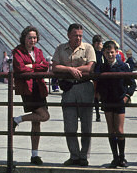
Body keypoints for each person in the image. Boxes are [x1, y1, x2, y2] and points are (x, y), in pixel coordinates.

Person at [52, 23, 96, 166]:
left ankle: (84, 156)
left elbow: (90, 67)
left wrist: (70, 69)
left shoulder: (88, 48)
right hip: (69, 88)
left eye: (80, 35)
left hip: (85, 87)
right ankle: (74, 155)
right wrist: (70, 70)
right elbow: (55, 66)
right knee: (69, 125)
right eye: (75, 35)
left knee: (86, 125)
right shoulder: (60, 48)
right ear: (68, 35)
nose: (78, 38)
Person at [12, 26, 50, 165]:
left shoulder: (38, 51)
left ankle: (35, 154)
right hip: (28, 89)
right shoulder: (18, 51)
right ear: (24, 38)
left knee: (37, 122)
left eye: (34, 38)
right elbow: (20, 68)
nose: (32, 40)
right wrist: (35, 66)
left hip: (39, 87)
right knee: (44, 116)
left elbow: (45, 66)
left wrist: (31, 66)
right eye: (29, 38)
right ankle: (16, 120)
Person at [96, 40, 136, 168]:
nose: (110, 55)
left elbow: (132, 83)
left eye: (112, 52)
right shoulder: (102, 67)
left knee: (119, 130)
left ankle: (122, 156)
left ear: (116, 52)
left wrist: (127, 96)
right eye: (107, 53)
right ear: (104, 53)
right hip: (107, 101)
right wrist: (99, 95)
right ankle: (115, 157)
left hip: (119, 100)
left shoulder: (123, 67)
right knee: (110, 130)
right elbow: (98, 82)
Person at [92, 35, 104, 122]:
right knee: (95, 96)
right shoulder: (93, 52)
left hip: (101, 76)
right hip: (95, 76)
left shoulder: (103, 52)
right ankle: (97, 113)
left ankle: (99, 112)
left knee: (99, 95)